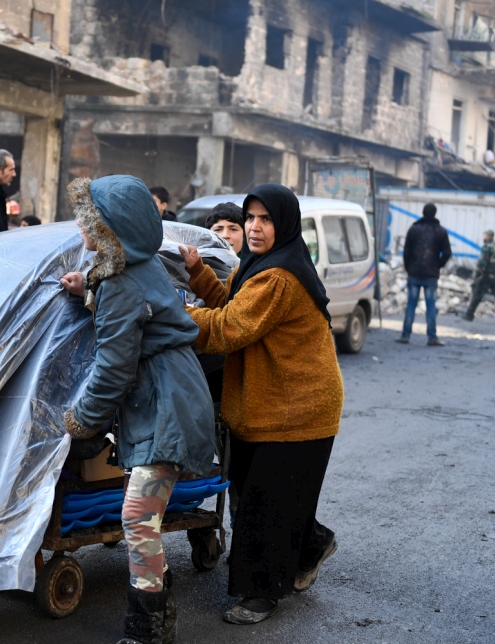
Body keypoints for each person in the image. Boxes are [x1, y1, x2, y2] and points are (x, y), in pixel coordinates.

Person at [60, 175, 216, 644]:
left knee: (136, 515)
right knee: (141, 513)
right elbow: (128, 303)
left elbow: (113, 368)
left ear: (113, 229)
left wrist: (81, 421)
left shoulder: (121, 282)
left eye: (90, 219)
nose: (81, 226)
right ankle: (155, 610)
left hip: (166, 401)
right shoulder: (135, 266)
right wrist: (87, 285)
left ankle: (148, 627)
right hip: (169, 393)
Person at [181, 184, 343, 625]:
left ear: (284, 224)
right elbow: (230, 303)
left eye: (264, 219)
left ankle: (260, 595)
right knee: (275, 494)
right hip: (269, 401)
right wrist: (197, 273)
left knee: (263, 504)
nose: (253, 227)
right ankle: (311, 545)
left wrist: (166, 309)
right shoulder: (258, 265)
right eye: (250, 217)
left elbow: (229, 328)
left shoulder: (278, 277)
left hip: (296, 407)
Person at [397, 203, 452, 346]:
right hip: (431, 274)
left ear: (423, 212)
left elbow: (407, 251)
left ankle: (405, 335)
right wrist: (438, 265)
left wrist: (408, 267)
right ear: (435, 214)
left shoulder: (414, 229)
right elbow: (447, 253)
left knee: (411, 304)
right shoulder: (440, 231)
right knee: (431, 305)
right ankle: (432, 337)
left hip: (414, 272)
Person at [463, 229, 495, 325]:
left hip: (487, 277)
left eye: (484, 235)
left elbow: (482, 263)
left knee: (477, 295)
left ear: (488, 236)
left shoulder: (487, 247)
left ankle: (469, 315)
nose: (483, 237)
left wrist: (476, 275)